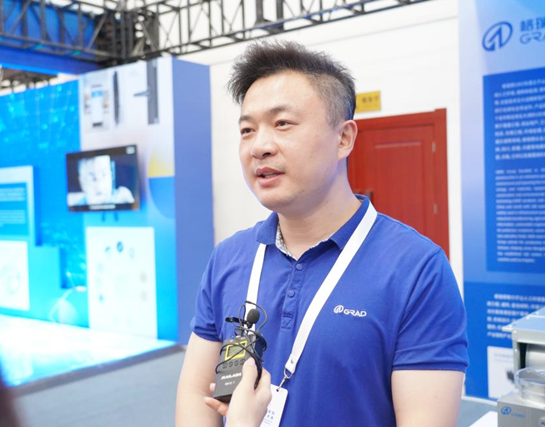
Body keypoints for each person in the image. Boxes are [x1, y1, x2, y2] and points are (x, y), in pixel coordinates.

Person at [176, 40, 468, 427]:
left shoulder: (416, 269)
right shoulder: (229, 257)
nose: (259, 146)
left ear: (343, 138)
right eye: (247, 129)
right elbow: (196, 393)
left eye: (282, 123)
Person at [67, 155, 134, 207]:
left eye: (104, 174)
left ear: (111, 175)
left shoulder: (122, 198)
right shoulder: (76, 206)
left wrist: (130, 205)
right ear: (82, 182)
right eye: (93, 178)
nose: (100, 185)